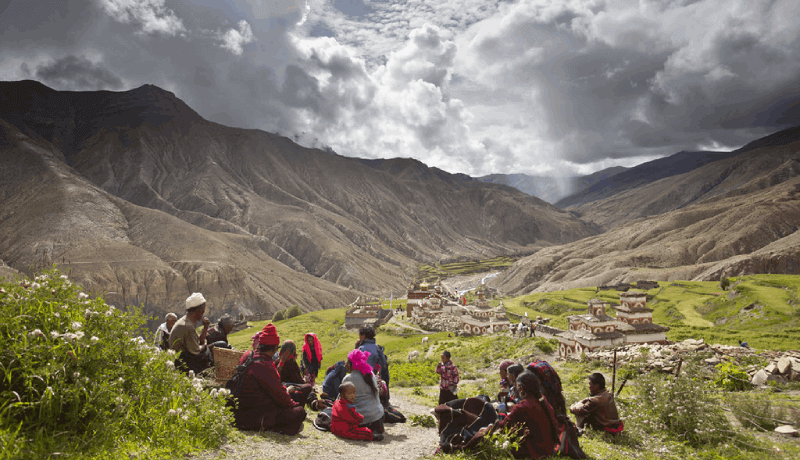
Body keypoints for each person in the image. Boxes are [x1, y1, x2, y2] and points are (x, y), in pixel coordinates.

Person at [231, 323, 307, 435]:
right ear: (274, 348)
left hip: (240, 411)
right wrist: (294, 405)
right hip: (256, 415)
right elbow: (280, 396)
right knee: (300, 412)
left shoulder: (248, 355)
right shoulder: (265, 365)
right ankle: (274, 426)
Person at [477, 371, 559, 459]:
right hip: (548, 449)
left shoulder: (524, 406)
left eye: (518, 387)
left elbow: (502, 426)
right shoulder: (542, 399)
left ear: (521, 388)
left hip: (535, 452)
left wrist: (488, 428)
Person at [342, 349, 385, 434]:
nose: (345, 364)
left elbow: (341, 401)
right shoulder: (371, 374)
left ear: (351, 364)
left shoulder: (348, 378)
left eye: (347, 361)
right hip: (378, 418)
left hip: (361, 420)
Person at [169, 293, 213, 374]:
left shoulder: (187, 321)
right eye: (203, 309)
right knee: (209, 351)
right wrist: (205, 345)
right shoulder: (187, 326)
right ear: (199, 310)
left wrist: (205, 327)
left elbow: (199, 341)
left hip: (185, 355)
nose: (204, 312)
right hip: (182, 362)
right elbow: (196, 351)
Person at [356, 326, 390, 405]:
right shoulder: (378, 348)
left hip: (363, 381)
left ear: (363, 336)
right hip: (376, 380)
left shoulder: (361, 349)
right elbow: (383, 365)